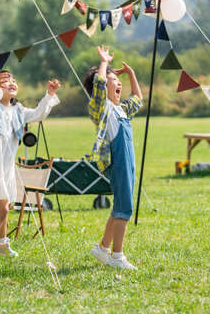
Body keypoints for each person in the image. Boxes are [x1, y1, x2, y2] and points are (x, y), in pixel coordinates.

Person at [0, 70, 60, 266]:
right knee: (1, 209)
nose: (10, 82)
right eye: (4, 80)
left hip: (6, 167)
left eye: (13, 80)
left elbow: (38, 114)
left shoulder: (18, 110)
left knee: (6, 207)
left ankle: (1, 244)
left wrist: (49, 94)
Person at [82, 45, 143, 270]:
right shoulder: (100, 108)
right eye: (113, 80)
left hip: (127, 161)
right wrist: (104, 64)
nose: (118, 83)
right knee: (124, 207)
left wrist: (132, 74)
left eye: (119, 81)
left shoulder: (121, 109)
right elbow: (98, 86)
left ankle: (103, 248)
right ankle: (117, 256)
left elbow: (137, 99)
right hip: (117, 161)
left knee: (119, 205)